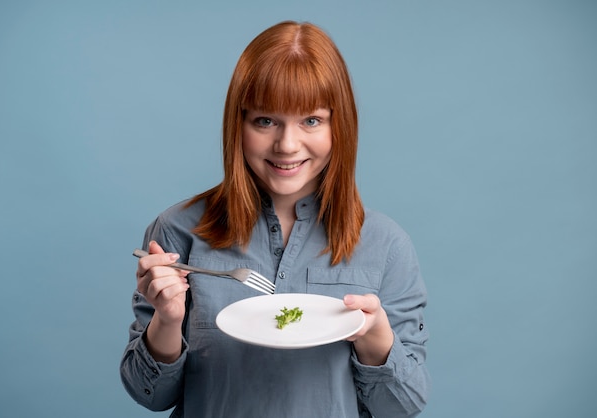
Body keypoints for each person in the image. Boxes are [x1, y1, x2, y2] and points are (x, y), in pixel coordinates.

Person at [120, 20, 430, 418]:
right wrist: (166, 320)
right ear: (239, 124)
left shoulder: (387, 245)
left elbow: (402, 406)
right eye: (265, 120)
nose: (286, 145)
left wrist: (375, 337)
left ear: (340, 125)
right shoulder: (178, 231)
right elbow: (150, 396)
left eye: (311, 120)